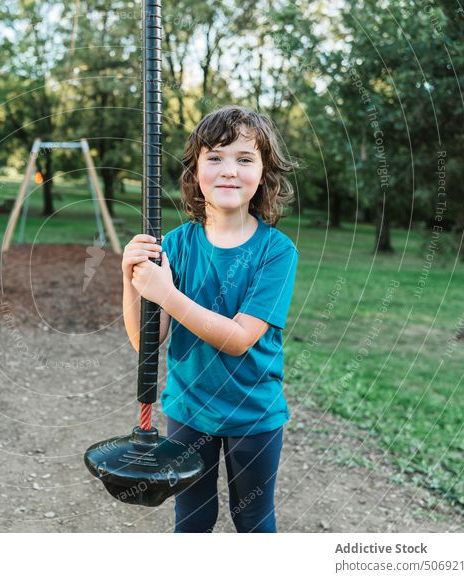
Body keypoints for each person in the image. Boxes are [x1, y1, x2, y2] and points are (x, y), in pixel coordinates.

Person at [121, 105, 298, 533]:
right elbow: (147, 340)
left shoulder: (276, 252)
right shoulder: (175, 245)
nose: (228, 171)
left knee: (252, 518)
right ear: (196, 169)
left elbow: (239, 339)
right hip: (188, 409)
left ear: (264, 171)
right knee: (193, 519)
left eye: (244, 158)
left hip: (253, 414)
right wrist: (131, 279)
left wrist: (167, 292)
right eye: (214, 157)